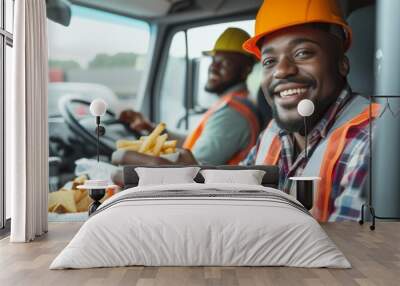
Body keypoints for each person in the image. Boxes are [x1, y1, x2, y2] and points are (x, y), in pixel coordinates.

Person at [240, 0, 379, 222]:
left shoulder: (375, 138)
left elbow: (355, 251)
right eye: (269, 61)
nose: (282, 71)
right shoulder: (274, 132)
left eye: (303, 53)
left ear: (342, 63)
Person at [113, 27, 260, 166]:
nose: (214, 67)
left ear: (245, 70)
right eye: (214, 60)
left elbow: (192, 167)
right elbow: (194, 143)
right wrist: (150, 128)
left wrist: (137, 159)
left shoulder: (232, 114)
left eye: (225, 63)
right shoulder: (232, 103)